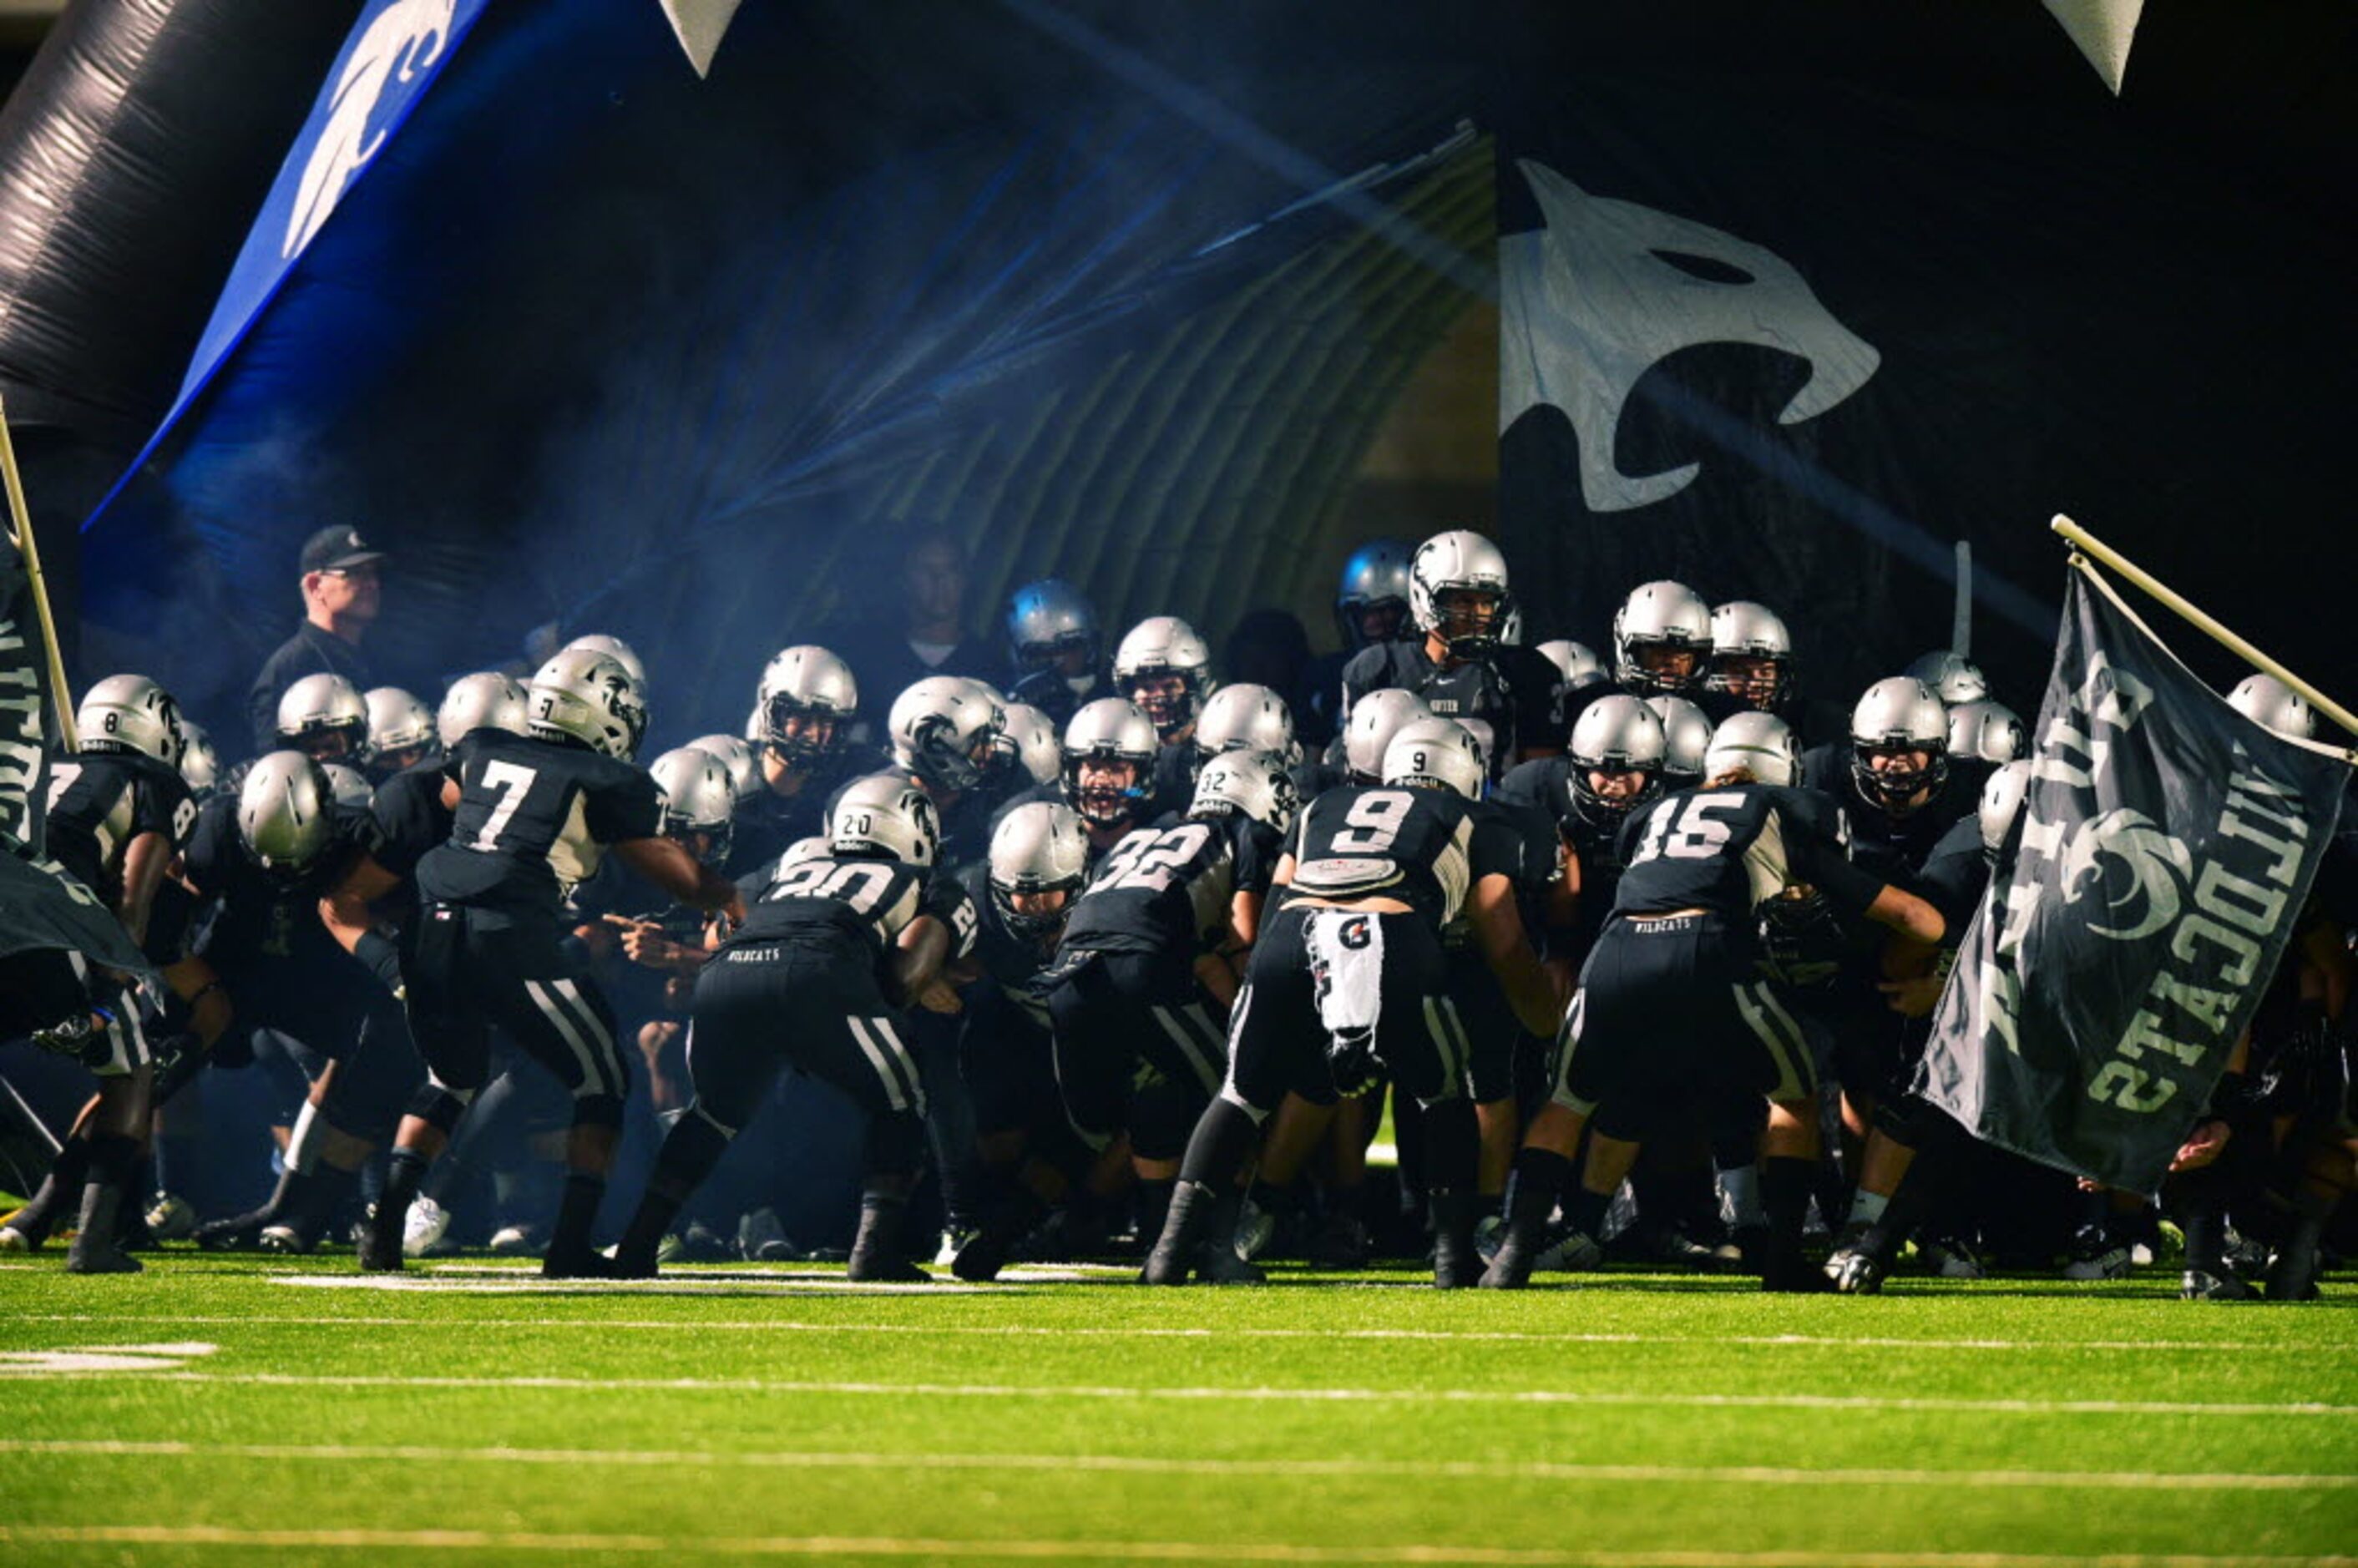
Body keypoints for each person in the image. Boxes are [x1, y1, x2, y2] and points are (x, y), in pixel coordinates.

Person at [1483, 730, 1946, 1292]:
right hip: (1709, 944)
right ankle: (1781, 1259)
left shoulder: (1657, 813)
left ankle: (1514, 1255)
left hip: (1618, 947)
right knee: (1793, 1093)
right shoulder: (1784, 811)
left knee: (1567, 1100)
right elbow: (1921, 920)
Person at [358, 646, 742, 1277]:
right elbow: (679, 879)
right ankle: (569, 1245)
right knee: (604, 1079)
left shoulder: (484, 749)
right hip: (509, 930)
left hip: (433, 922)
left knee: (449, 1077)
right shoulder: (609, 781)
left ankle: (386, 1229)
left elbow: (457, 798)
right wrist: (725, 895)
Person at [1146, 718, 1563, 1287]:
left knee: (1240, 1095)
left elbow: (1278, 903)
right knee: (1443, 1096)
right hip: (1391, 936)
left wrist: (1271, 990)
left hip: (1292, 940)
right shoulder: (1476, 818)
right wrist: (1546, 1022)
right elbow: (1502, 934)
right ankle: (1452, 1257)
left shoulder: (1325, 804)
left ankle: (1171, 1252)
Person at [612, 775, 973, 1281]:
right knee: (904, 1099)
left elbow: (723, 923)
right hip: (822, 973)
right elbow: (903, 978)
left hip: (726, 975)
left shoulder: (791, 862)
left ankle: (638, 1242)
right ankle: (873, 1251)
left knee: (711, 1116)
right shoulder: (929, 880)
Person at [0, 675, 194, 1272]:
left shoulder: (48, 766)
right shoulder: (156, 783)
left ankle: (44, 1220)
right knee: (131, 1069)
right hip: (52, 919)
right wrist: (111, 983)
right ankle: (94, 1241)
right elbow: (133, 895)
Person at [1338, 529, 1561, 781]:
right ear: (1424, 597)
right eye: (1463, 601)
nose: (1478, 615)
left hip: (1491, 815)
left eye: (1487, 602)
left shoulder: (1526, 671)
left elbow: (1537, 783)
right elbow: (1359, 773)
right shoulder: (1377, 668)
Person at [823, 526, 999, 739]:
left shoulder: (989, 664)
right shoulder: (871, 658)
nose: (939, 580)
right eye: (926, 570)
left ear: (964, 579)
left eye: (950, 569)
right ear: (905, 579)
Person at [248, 526, 387, 756]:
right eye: (355, 573)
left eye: (373, 573)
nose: (372, 584)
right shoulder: (287, 671)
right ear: (315, 586)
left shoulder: (379, 657)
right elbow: (282, 771)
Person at [1300, 540, 1413, 746]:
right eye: (1362, 613)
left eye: (1387, 612)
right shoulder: (1328, 677)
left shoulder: (1438, 676)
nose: (1372, 624)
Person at [1004, 579, 1115, 728]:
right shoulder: (1008, 716)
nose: (1060, 661)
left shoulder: (1114, 703)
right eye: (1043, 654)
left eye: (1070, 648)